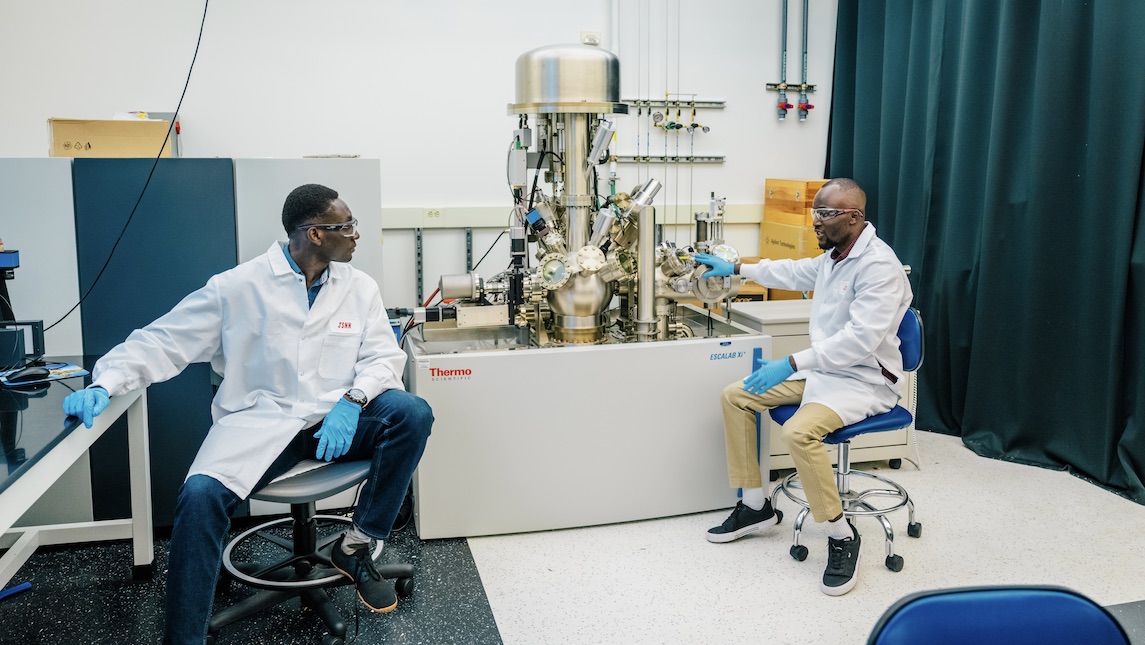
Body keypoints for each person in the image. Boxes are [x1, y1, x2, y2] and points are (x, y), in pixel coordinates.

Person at [62, 183, 433, 643]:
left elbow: (381, 357)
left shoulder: (359, 287)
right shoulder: (237, 287)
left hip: (337, 418)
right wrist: (105, 380)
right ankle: (184, 638)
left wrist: (353, 400)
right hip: (262, 425)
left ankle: (355, 547)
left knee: (412, 413)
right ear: (314, 234)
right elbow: (164, 340)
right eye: (346, 226)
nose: (357, 234)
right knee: (199, 498)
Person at [694, 177, 912, 597]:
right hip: (825, 371)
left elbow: (859, 341)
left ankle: (841, 534)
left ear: (853, 217)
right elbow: (791, 271)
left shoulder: (879, 267)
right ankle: (756, 506)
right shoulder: (835, 254)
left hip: (863, 379)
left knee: (798, 432)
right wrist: (737, 268)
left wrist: (791, 363)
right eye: (815, 213)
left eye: (826, 214)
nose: (816, 222)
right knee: (736, 396)